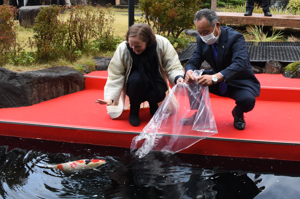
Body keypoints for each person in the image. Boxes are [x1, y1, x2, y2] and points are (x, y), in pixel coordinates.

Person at [182, 9, 260, 130]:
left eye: (206, 32)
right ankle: (200, 114)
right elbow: (193, 61)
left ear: (217, 25)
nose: (203, 36)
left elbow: (241, 63)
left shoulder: (235, 38)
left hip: (237, 80)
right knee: (191, 79)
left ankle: (238, 114)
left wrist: (215, 77)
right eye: (200, 32)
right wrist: (189, 72)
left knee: (247, 101)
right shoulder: (201, 39)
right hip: (216, 79)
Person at [95, 23, 184, 126]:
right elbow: (116, 75)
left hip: (155, 79)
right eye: (130, 44)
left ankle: (153, 105)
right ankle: (134, 109)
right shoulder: (123, 48)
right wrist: (110, 98)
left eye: (138, 46)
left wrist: (178, 77)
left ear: (148, 41)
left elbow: (173, 66)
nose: (133, 49)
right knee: (137, 80)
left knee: (158, 93)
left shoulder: (162, 43)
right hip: (134, 84)